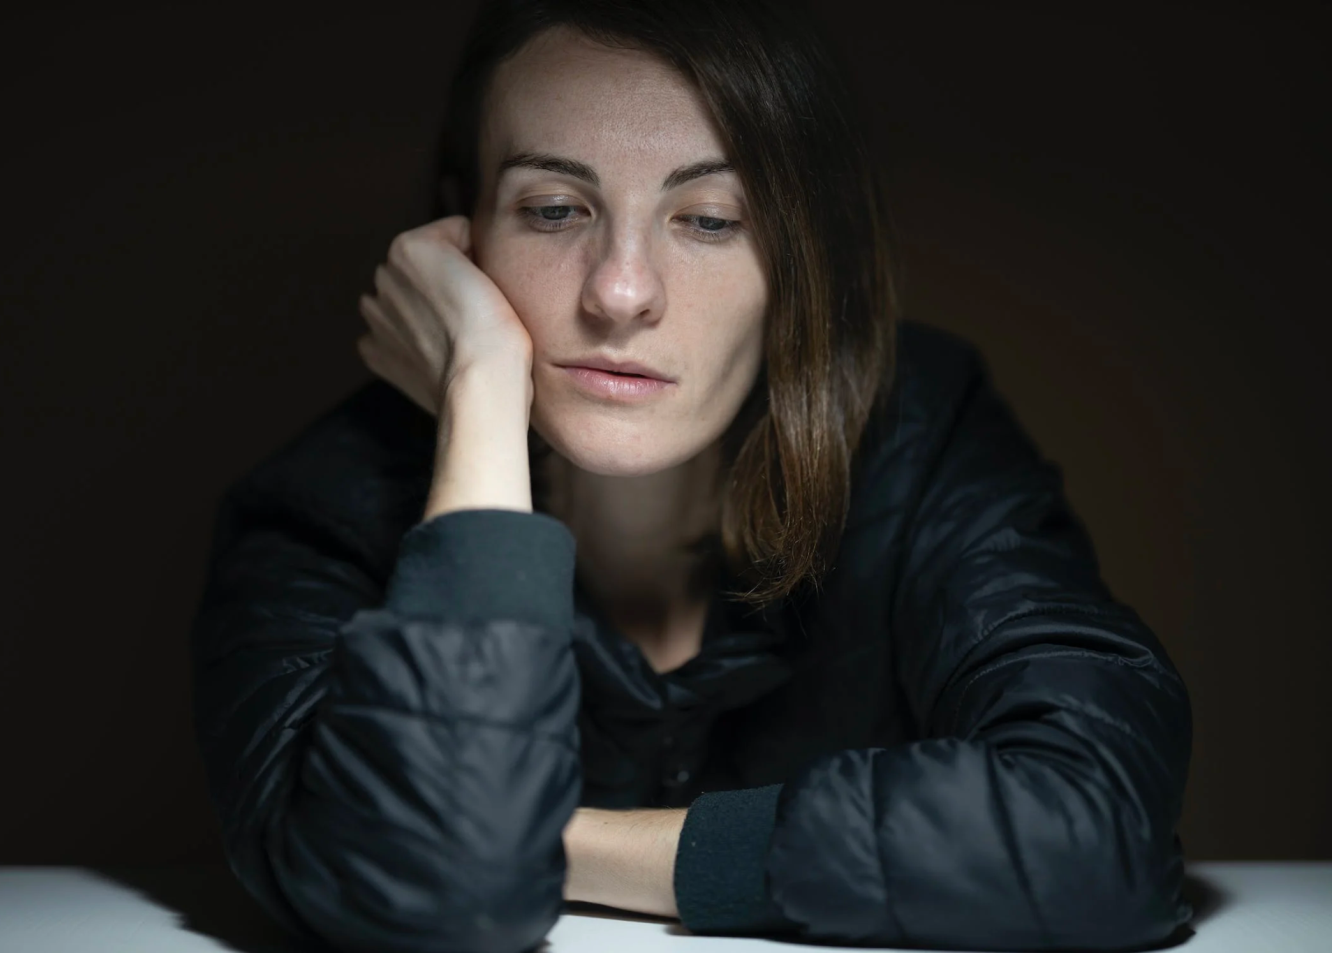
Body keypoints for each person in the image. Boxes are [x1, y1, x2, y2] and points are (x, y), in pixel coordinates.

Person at [188, 0, 1195, 950]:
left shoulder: (919, 442)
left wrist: (562, 841)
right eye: (550, 208)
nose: (620, 290)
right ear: (458, 235)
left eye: (710, 219)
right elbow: (434, 900)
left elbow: (1095, 826)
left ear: (803, 260)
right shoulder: (321, 509)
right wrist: (481, 386)